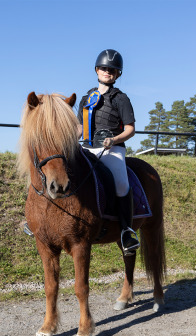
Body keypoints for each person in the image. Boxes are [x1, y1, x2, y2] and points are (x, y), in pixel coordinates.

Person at [76, 49, 139, 252]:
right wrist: (68, 139)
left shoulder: (121, 99)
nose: (107, 72)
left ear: (117, 74)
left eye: (112, 70)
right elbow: (79, 127)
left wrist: (114, 139)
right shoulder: (86, 98)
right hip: (86, 148)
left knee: (121, 183)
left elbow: (130, 129)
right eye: (104, 68)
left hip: (112, 149)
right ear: (96, 70)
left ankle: (126, 231)